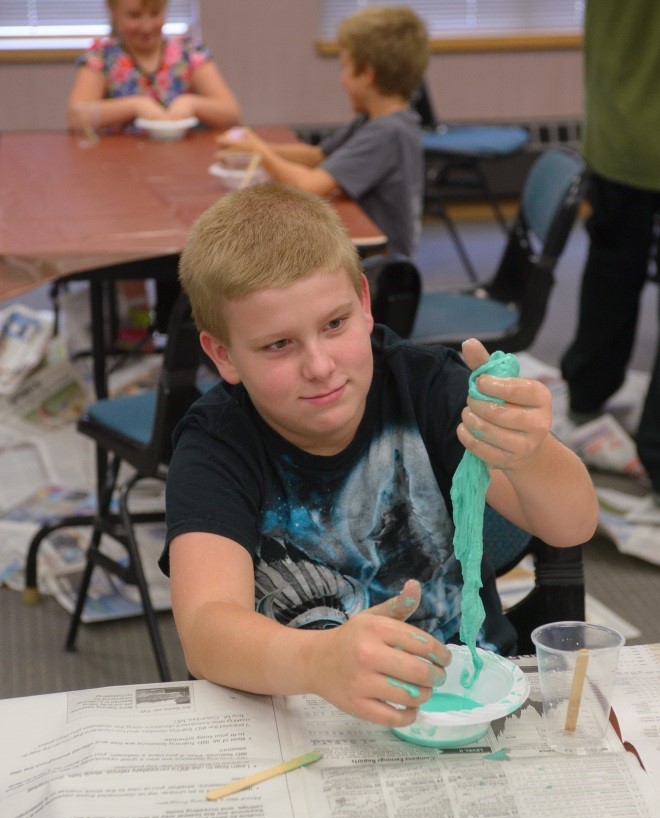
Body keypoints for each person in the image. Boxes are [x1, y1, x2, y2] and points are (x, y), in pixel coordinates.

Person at [160, 183, 598, 727]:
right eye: (279, 345)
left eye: (334, 324)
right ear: (223, 354)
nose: (319, 366)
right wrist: (318, 661)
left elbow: (571, 525)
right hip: (307, 715)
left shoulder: (429, 388)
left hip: (467, 702)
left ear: (364, 305)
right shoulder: (215, 446)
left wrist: (530, 454)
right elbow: (205, 629)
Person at [215, 5, 428, 258]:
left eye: (345, 67)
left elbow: (309, 185)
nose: (342, 79)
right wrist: (254, 145)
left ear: (368, 74)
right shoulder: (377, 120)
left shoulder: (387, 133)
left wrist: (260, 152)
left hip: (380, 270)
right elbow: (317, 156)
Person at [560, 1, 660, 498]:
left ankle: (586, 394)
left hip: (614, 134)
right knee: (610, 273)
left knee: (610, 274)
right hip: (635, 135)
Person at [67, 0, 241, 131]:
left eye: (155, 13)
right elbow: (76, 117)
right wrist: (135, 106)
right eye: (134, 15)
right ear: (113, 11)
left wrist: (190, 104)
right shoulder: (102, 57)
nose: (147, 26)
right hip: (121, 166)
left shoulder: (188, 53)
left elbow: (231, 113)